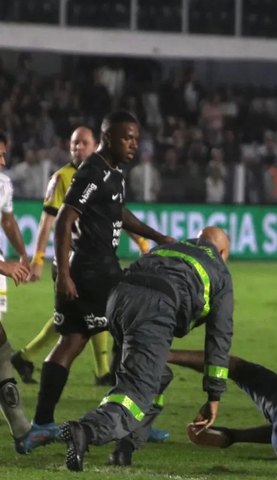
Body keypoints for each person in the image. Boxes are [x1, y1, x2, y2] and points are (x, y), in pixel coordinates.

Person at [22, 112, 174, 453]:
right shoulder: (93, 170)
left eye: (136, 138)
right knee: (135, 335)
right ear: (108, 138)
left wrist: (157, 236)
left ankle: (41, 425)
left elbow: (118, 212)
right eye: (127, 138)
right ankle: (132, 422)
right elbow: (64, 219)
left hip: (90, 271)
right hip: (93, 272)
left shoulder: (113, 172)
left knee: (71, 342)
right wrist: (63, 273)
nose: (133, 144)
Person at [61, 227, 233, 471]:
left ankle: (125, 448)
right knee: (138, 393)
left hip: (119, 299)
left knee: (158, 375)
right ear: (223, 251)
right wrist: (214, 396)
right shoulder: (221, 272)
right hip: (154, 308)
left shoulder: (169, 248)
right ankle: (86, 431)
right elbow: (220, 336)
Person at [11, 126, 151, 387]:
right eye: (74, 143)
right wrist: (38, 259)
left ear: (95, 144)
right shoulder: (62, 177)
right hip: (74, 261)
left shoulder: (108, 173)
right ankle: (101, 372)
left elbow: (116, 213)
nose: (78, 148)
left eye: (83, 143)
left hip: (95, 260)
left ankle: (26, 356)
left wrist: (143, 241)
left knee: (78, 319)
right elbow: (49, 221)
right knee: (94, 313)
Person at [0, 133, 34, 453]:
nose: (2, 161)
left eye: (3, 154)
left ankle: (22, 428)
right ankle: (22, 427)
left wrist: (21, 254)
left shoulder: (3, 184)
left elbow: (7, 220)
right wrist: (3, 266)